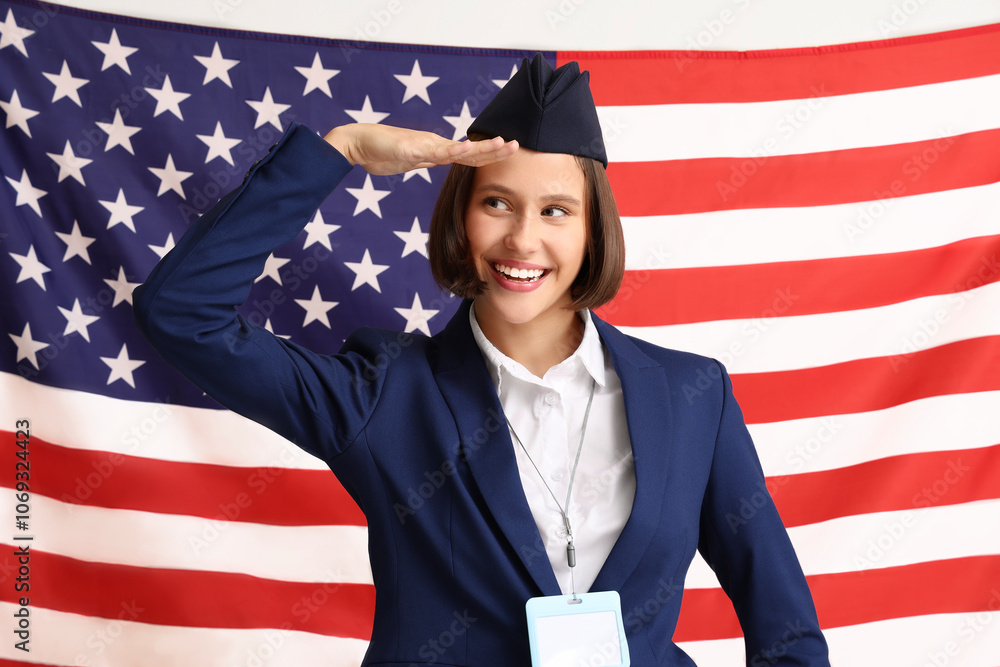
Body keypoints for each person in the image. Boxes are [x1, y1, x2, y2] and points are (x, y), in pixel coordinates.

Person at [134, 54, 830, 666]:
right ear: (462, 217)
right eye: (498, 202)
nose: (522, 239)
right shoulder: (383, 395)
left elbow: (787, 627)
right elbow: (182, 313)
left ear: (594, 232)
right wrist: (338, 151)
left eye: (556, 210)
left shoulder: (691, 394)